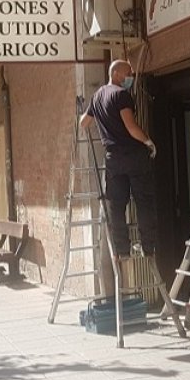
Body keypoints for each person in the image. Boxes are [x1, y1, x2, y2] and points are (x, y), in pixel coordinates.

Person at [80, 60, 158, 258]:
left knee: (117, 204)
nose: (130, 76)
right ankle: (148, 247)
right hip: (132, 154)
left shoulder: (97, 96)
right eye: (128, 73)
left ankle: (122, 250)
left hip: (112, 158)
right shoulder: (121, 95)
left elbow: (84, 123)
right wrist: (148, 142)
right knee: (143, 201)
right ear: (115, 73)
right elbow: (131, 127)